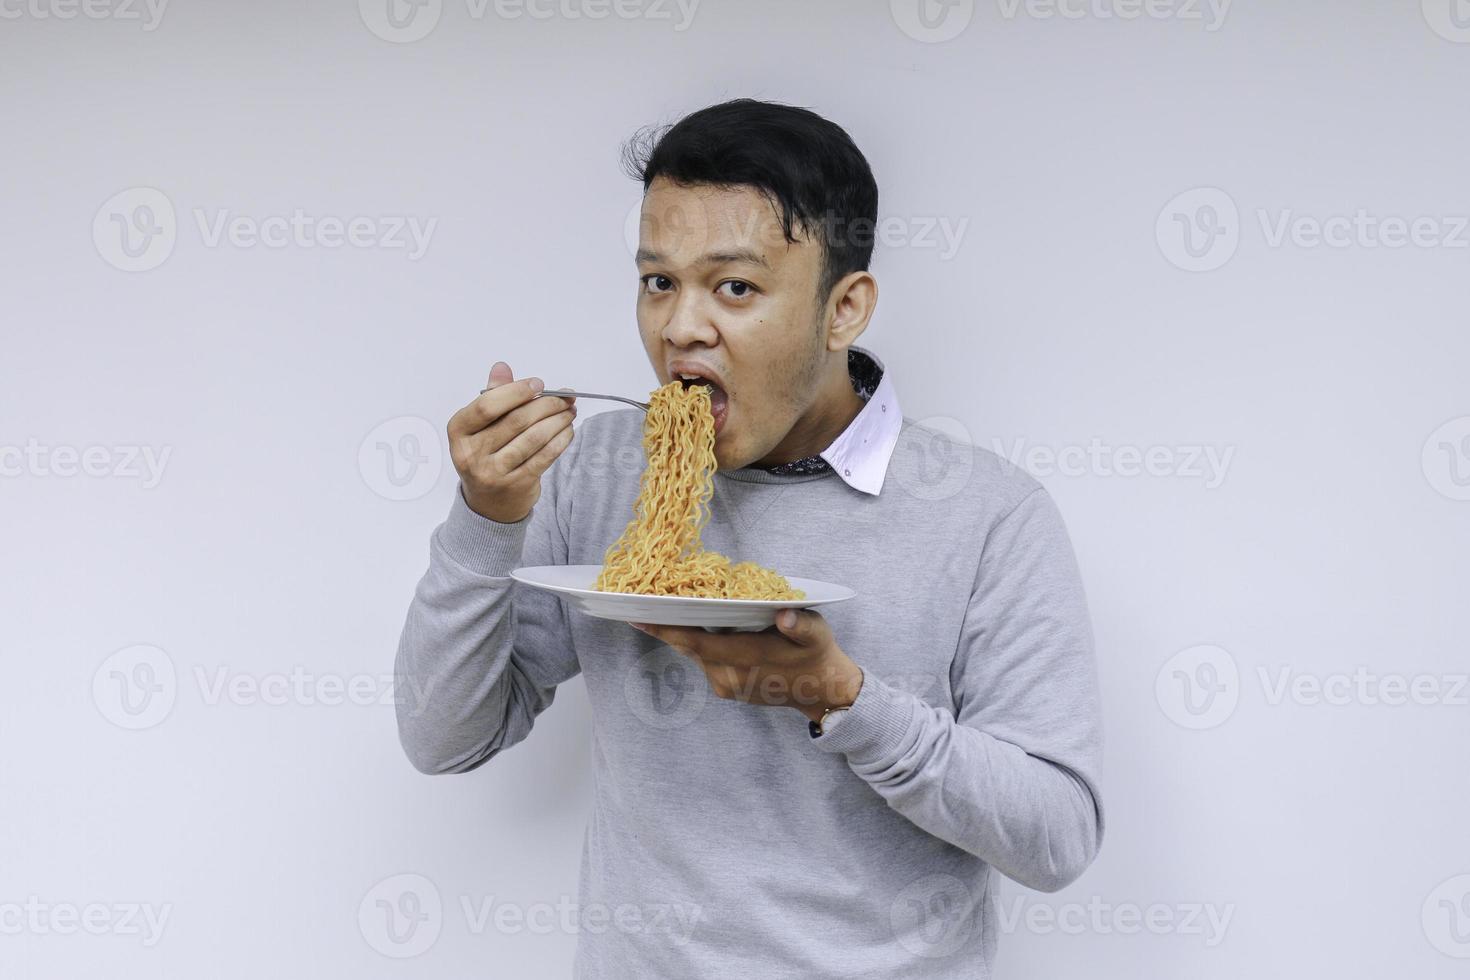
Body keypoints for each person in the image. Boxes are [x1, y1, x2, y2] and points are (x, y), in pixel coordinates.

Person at [395, 98, 1105, 978]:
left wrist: (843, 700)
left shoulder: (988, 513)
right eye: (659, 281)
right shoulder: (602, 471)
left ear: (844, 309)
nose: (681, 328)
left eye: (734, 287)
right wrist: (486, 517)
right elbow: (445, 737)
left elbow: (1058, 835)